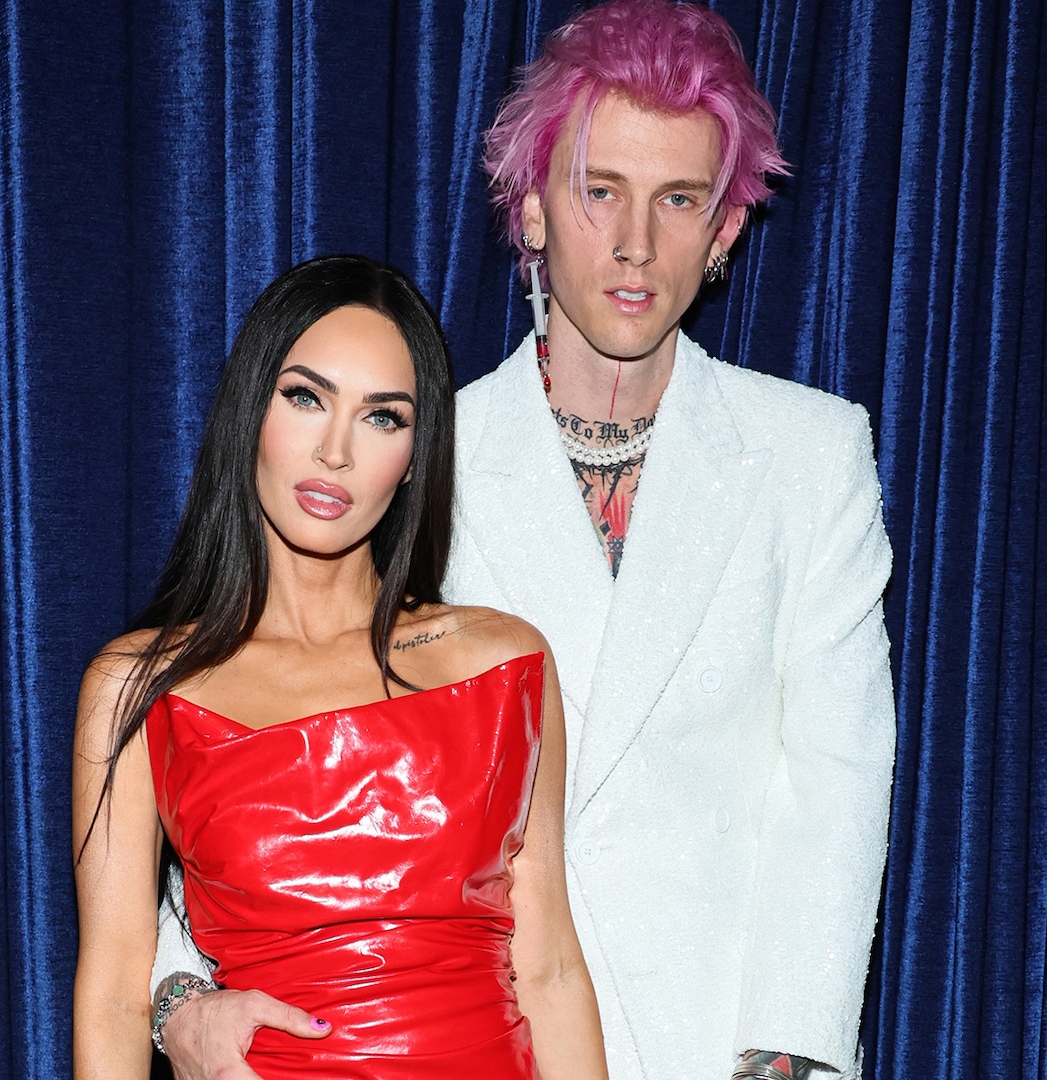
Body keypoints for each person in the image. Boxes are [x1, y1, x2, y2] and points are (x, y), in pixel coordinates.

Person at [151, 3, 896, 1079]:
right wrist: (179, 992)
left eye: (679, 199)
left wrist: (787, 1058)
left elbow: (838, 787)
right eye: (600, 190)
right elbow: (247, 736)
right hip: (465, 1044)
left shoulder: (812, 457)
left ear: (726, 230)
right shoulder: (409, 452)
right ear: (533, 210)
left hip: (723, 1048)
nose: (636, 243)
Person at [71, 255, 608, 1080]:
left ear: (415, 455)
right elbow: (113, 1000)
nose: (334, 452)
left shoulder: (506, 665)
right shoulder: (139, 690)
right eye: (305, 397)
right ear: (251, 409)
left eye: (382, 417)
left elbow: (551, 970)